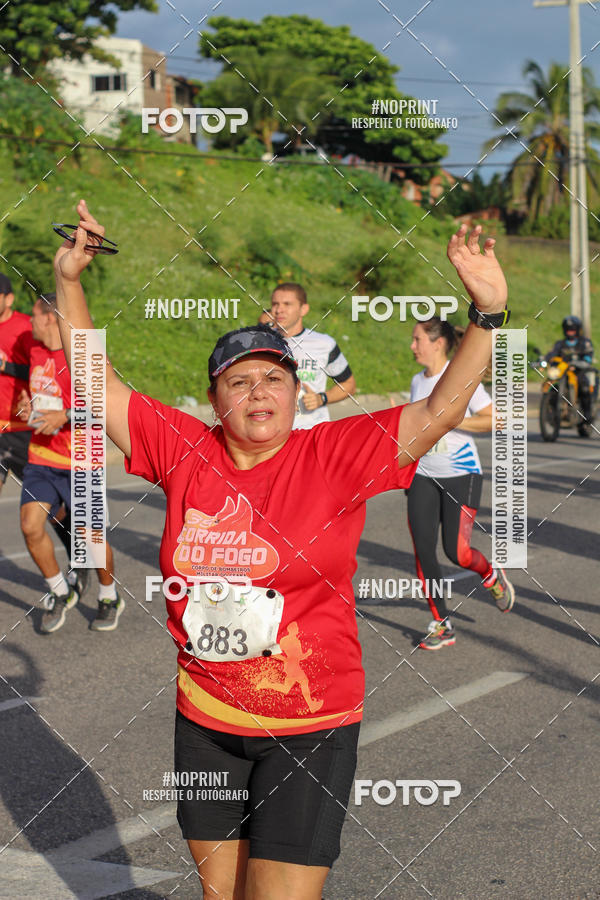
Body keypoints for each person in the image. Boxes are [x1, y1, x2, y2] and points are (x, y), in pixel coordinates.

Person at [54, 199, 510, 900]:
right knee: (222, 896)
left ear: (298, 394)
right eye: (239, 380)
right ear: (215, 399)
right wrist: (71, 281)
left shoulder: (333, 453)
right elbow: (96, 383)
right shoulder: (184, 450)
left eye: (274, 378)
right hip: (206, 718)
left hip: (311, 721)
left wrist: (485, 317)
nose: (258, 390)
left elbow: (440, 409)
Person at [407, 317, 515, 651]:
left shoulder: (459, 377)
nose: (412, 346)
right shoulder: (416, 381)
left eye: (417, 339)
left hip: (462, 475)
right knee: (424, 551)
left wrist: (455, 421)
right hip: (423, 475)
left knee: (458, 553)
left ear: (437, 343)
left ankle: (490, 575)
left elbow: (497, 419)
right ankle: (442, 624)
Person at [18, 292, 123, 634]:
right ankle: (60, 592)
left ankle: (109, 596)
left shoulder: (82, 355)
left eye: (34, 314)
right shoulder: (34, 350)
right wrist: (27, 406)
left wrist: (63, 415)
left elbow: (102, 409)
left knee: (91, 537)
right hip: (41, 456)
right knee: (31, 525)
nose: (30, 320)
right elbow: (38, 392)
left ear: (50, 317)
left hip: (82, 459)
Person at [268, 283, 356, 429]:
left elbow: (349, 385)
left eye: (287, 304)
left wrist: (321, 398)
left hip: (313, 431)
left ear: (303, 309)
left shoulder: (324, 343)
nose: (279, 310)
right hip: (274, 433)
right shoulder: (262, 342)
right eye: (275, 304)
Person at [0, 273, 34, 492]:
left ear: (9, 298)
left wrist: (6, 366)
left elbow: (44, 374)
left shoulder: (26, 328)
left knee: (54, 512)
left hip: (24, 430)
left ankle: (73, 525)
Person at [544, 315, 595, 422]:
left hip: (578, 372)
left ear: (577, 329)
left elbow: (588, 357)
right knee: (551, 385)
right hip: (562, 373)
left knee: (584, 387)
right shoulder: (560, 344)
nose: (570, 331)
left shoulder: (584, 342)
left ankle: (587, 414)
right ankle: (551, 410)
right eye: (568, 329)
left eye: (572, 329)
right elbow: (551, 355)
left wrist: (582, 362)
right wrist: (543, 360)